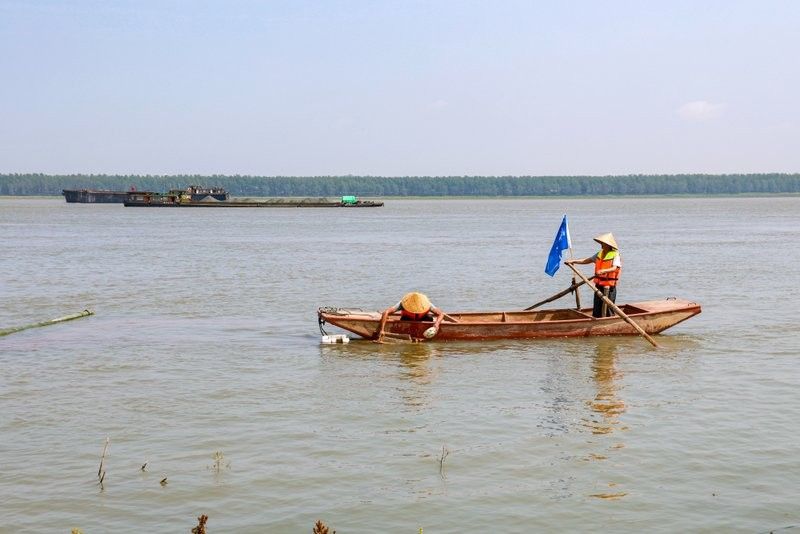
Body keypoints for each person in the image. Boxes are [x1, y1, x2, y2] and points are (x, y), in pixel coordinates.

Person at [566, 233, 621, 318]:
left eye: (603, 243)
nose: (601, 245)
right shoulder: (600, 253)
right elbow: (588, 260)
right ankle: (596, 320)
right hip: (598, 285)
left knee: (608, 308)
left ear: (608, 245)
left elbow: (615, 268)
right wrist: (573, 261)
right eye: (601, 243)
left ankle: (609, 321)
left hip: (609, 287)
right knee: (597, 307)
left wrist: (603, 271)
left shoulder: (615, 255)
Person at [375, 292, 445, 341]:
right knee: (403, 320)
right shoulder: (403, 304)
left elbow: (441, 314)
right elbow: (386, 312)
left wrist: (437, 324)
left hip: (422, 319)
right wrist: (382, 330)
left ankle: (423, 336)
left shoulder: (427, 304)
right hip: (407, 320)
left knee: (429, 318)